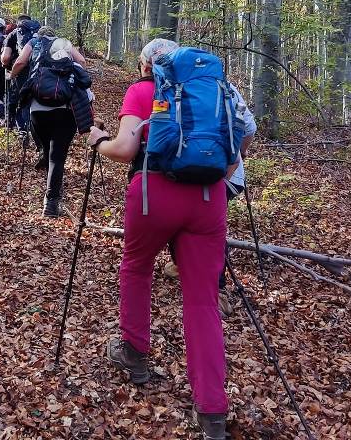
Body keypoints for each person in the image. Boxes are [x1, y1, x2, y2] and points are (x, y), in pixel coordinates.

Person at [86, 38, 235, 440]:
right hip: (208, 197)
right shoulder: (216, 92)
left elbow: (125, 147)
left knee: (137, 268)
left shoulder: (143, 90)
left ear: (147, 64)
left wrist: (97, 140)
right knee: (202, 299)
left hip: (153, 193)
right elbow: (235, 153)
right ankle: (212, 410)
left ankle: (134, 352)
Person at [163, 79, 257, 318]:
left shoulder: (173, 87)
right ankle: (184, 266)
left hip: (216, 175)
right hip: (224, 173)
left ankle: (218, 290)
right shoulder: (224, 86)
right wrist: (239, 153)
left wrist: (237, 155)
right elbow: (249, 127)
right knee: (187, 221)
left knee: (207, 229)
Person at [11, 28, 93, 217]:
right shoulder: (65, 42)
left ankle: (45, 159)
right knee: (57, 156)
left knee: (48, 151)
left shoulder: (34, 43)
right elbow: (81, 61)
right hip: (65, 108)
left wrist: (13, 76)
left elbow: (21, 61)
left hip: (38, 107)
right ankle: (51, 202)